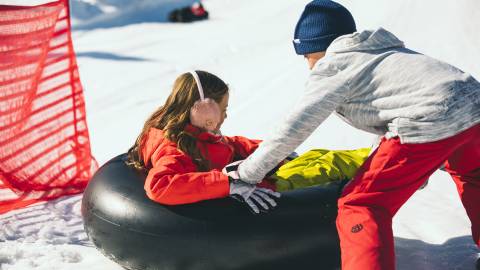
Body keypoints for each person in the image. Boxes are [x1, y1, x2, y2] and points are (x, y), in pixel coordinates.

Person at [223, 1, 480, 269]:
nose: (309, 66)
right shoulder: (384, 52)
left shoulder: (335, 64)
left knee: (361, 204)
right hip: (474, 106)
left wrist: (247, 173)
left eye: (307, 57)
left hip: (428, 120)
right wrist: (414, 168)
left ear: (317, 47)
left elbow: (294, 126)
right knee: (475, 177)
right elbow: (398, 113)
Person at [126, 70, 280, 214]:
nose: (225, 116)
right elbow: (159, 185)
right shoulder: (175, 148)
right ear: (204, 110)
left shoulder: (195, 133)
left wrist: (268, 148)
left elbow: (226, 145)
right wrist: (227, 184)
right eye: (223, 109)